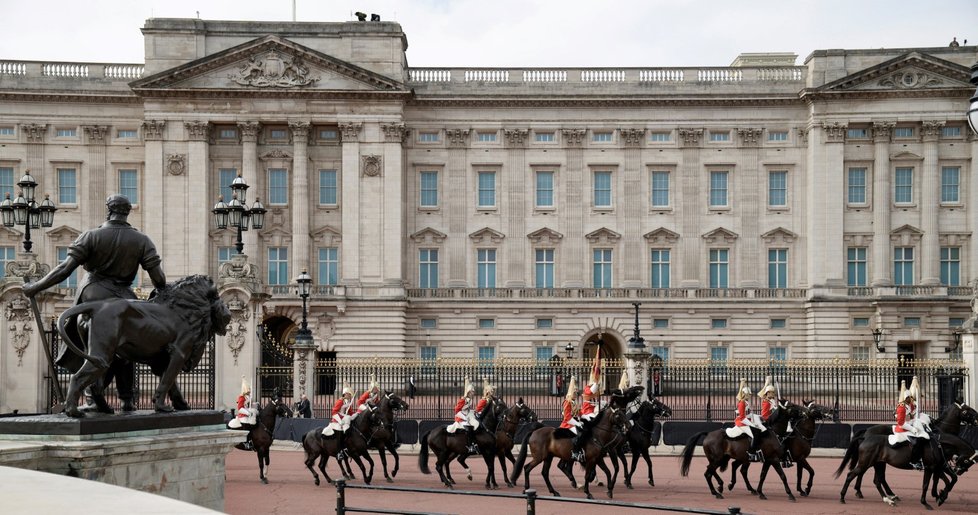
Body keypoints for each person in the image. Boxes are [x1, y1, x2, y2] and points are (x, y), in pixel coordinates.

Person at [23, 194, 167, 413]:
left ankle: (92, 395)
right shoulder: (142, 240)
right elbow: (159, 279)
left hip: (94, 292)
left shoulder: (91, 236)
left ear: (109, 210)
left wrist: (36, 287)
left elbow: (64, 269)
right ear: (128, 212)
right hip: (126, 296)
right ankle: (127, 399)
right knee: (127, 348)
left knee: (95, 348)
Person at [725, 378, 766, 462]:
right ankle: (751, 453)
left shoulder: (746, 402)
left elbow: (748, 414)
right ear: (744, 394)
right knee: (755, 435)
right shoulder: (742, 403)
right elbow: (742, 417)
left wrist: (758, 416)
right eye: (749, 394)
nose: (750, 395)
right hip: (741, 423)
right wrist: (752, 424)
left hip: (745, 421)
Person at [447, 377, 479, 454]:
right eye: (472, 392)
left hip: (467, 415)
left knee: (476, 423)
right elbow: (457, 410)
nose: (473, 393)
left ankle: (475, 443)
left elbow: (467, 409)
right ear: (468, 392)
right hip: (460, 417)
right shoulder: (463, 400)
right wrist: (464, 418)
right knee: (469, 426)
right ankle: (470, 446)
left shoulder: (469, 399)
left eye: (473, 391)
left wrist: (473, 412)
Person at [323, 384, 356, 459]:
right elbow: (334, 412)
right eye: (349, 394)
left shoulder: (347, 402)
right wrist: (340, 420)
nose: (350, 396)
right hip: (337, 420)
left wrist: (356, 414)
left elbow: (350, 412)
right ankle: (339, 452)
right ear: (346, 394)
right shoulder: (340, 401)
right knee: (340, 435)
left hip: (344, 419)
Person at [227, 377, 258, 450]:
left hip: (248, 415)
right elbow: (240, 408)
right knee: (247, 428)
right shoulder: (241, 397)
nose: (249, 390)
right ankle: (246, 442)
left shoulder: (247, 397)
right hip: (243, 416)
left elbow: (247, 406)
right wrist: (248, 412)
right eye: (248, 389)